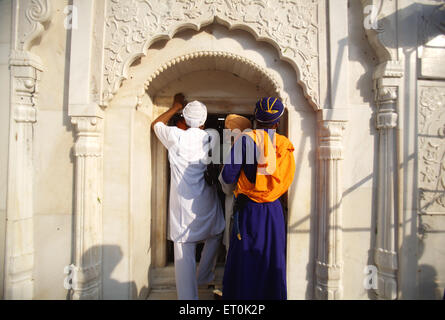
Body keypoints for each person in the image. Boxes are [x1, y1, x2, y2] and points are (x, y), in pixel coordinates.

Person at [151, 93, 225, 300]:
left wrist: (175, 107)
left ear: (184, 118)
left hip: (182, 203)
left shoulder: (175, 136)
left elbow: (156, 124)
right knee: (217, 230)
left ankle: (188, 300)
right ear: (203, 122)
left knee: (184, 249)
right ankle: (204, 275)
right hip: (205, 199)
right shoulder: (212, 136)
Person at [220, 97, 295, 300]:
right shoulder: (285, 145)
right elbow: (285, 181)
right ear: (277, 122)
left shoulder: (245, 140)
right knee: (272, 260)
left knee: (244, 260)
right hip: (273, 211)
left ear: (255, 117)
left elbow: (227, 176)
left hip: (249, 210)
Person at [218, 114, 252, 255]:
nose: (226, 134)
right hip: (247, 205)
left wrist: (222, 172)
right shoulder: (252, 146)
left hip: (236, 202)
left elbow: (228, 186)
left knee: (235, 246)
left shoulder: (236, 150)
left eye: (229, 130)